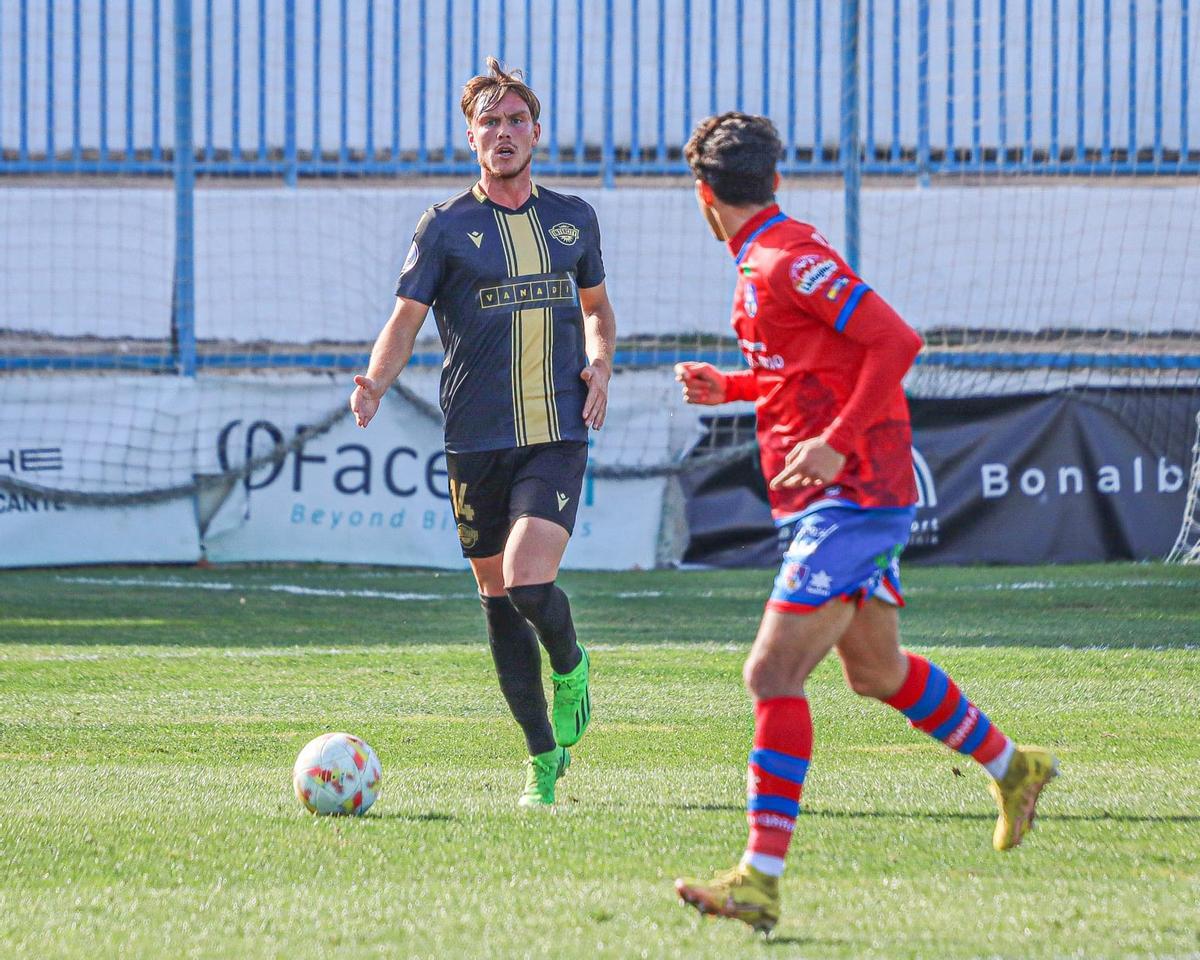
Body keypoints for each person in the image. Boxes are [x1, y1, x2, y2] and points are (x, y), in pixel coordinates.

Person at [671, 113, 1058, 933]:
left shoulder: (787, 260)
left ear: (704, 196)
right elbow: (806, 366)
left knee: (771, 676)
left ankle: (759, 879)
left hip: (852, 498)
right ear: (772, 181)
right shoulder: (763, 260)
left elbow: (895, 341)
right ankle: (1014, 767)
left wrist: (838, 444)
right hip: (826, 500)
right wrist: (732, 389)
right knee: (875, 674)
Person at [349, 57, 615, 808]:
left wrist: (600, 365)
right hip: (474, 439)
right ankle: (540, 764)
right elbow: (405, 320)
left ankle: (570, 664)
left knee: (531, 580)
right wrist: (374, 381)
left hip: (557, 429)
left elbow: (597, 310)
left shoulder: (573, 219)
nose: (504, 133)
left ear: (537, 131)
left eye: (515, 121)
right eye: (490, 123)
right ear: (471, 137)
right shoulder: (444, 227)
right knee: (497, 599)